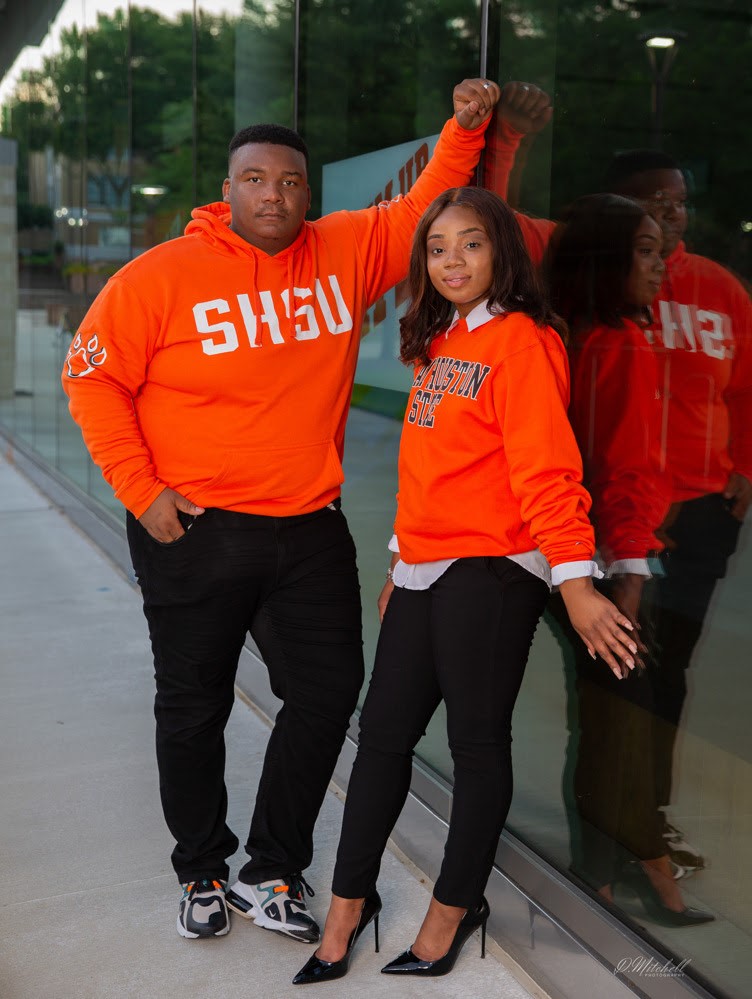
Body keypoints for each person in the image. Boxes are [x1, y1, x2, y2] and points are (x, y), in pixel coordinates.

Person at [61, 78, 502, 942]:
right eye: (256, 180)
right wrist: (143, 493)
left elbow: (422, 207)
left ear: (311, 191)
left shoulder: (344, 249)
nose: (275, 195)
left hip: (307, 527)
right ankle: (201, 870)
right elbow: (94, 378)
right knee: (193, 705)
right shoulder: (161, 276)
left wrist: (464, 126)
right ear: (227, 191)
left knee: (329, 690)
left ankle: (273, 867)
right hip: (191, 528)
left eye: (291, 181)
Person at [292, 186, 638, 986]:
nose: (452, 259)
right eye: (438, 246)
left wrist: (577, 581)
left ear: (503, 253)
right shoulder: (440, 339)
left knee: (477, 746)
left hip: (494, 569)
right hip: (425, 566)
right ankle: (349, 905)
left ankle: (452, 908)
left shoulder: (521, 342)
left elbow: (549, 470)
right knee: (380, 737)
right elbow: (428, 470)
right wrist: (398, 560)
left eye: (471, 243)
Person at [486, 97, 752, 872]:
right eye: (655, 208)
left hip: (693, 510)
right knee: (617, 687)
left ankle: (642, 835)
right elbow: (494, 222)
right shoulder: (583, 301)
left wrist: (742, 467)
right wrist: (504, 141)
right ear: (616, 220)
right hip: (593, 525)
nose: (673, 221)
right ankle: (622, 852)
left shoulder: (708, 285)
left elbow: (744, 387)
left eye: (680, 205)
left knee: (658, 678)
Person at [545, 193, 713, 926]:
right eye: (645, 250)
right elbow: (626, 470)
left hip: (572, 548)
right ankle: (623, 867)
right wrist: (633, 571)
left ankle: (615, 866)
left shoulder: (568, 332)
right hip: (607, 556)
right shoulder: (618, 342)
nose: (661, 264)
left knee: (612, 713)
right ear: (608, 257)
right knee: (622, 715)